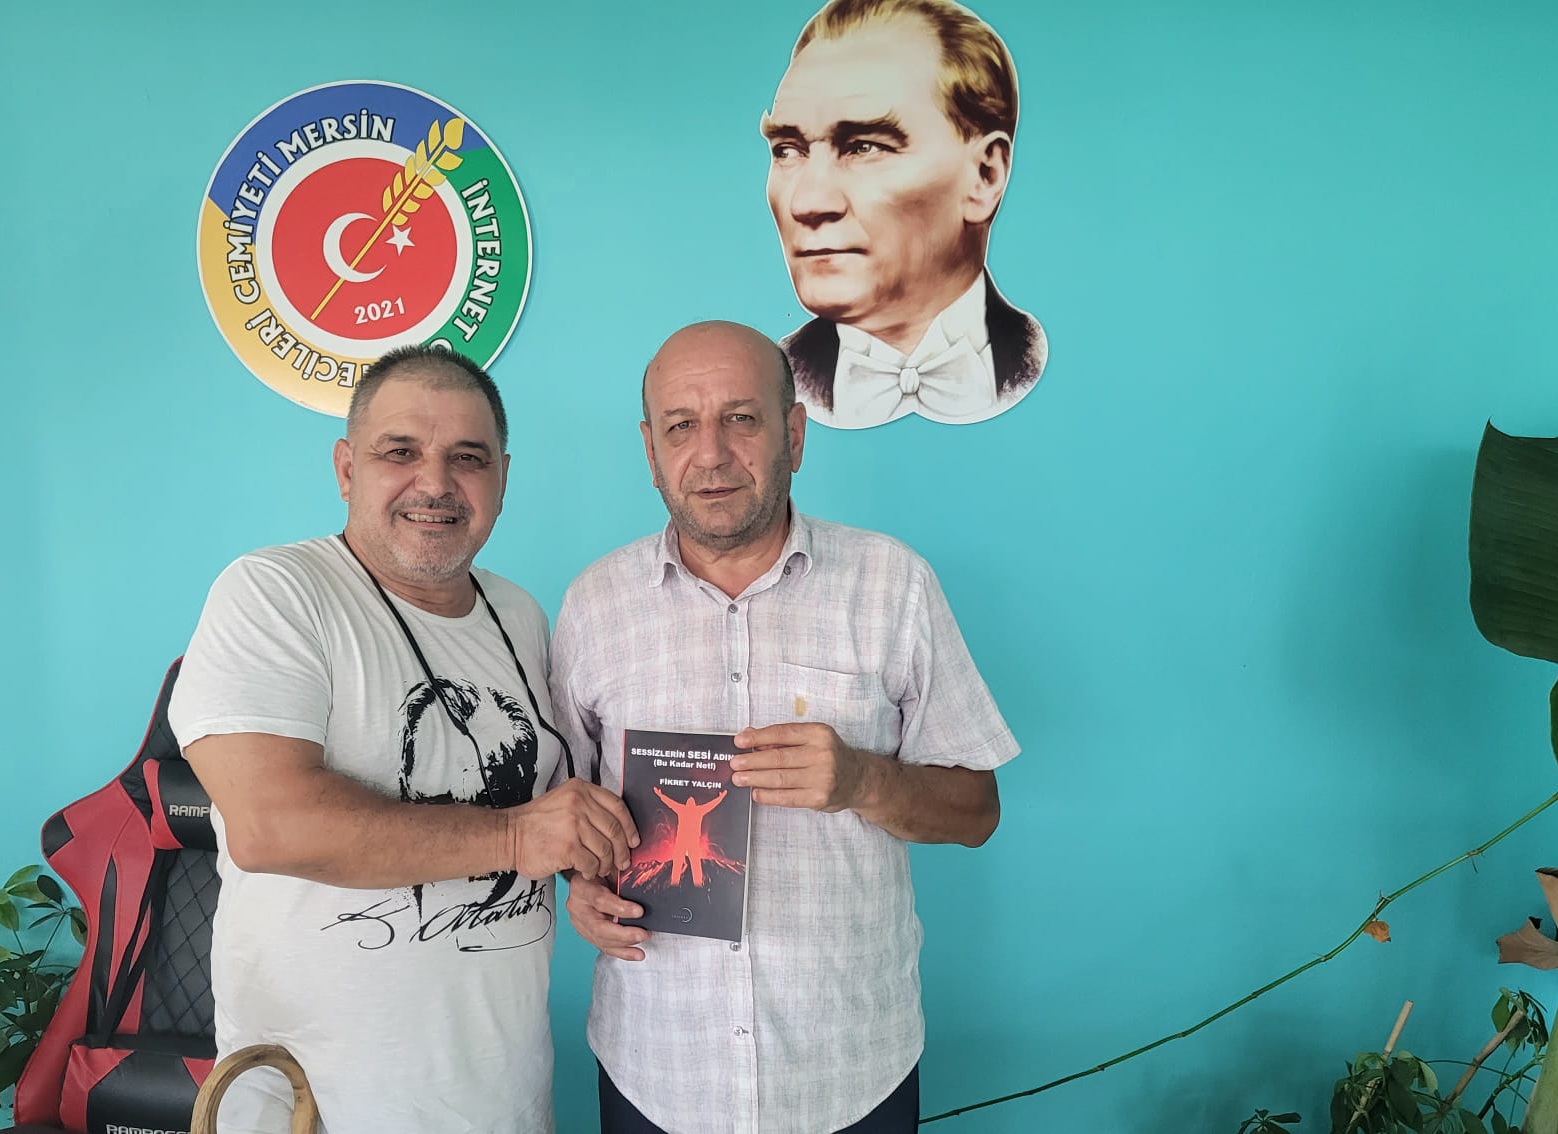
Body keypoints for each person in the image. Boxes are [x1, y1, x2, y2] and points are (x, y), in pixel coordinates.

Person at [552, 320, 1018, 1133]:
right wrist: (582, 888)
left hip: (850, 1068)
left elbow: (976, 811)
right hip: (657, 1066)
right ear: (651, 452)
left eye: (741, 418)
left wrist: (863, 780)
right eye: (681, 426)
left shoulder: (893, 585)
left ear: (793, 435)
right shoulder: (594, 606)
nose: (712, 454)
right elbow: (569, 815)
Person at [167, 345, 638, 1134]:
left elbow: (537, 813)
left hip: (504, 1099)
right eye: (400, 452)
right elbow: (270, 826)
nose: (436, 482)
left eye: (468, 458)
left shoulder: (520, 615)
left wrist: (583, 873)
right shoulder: (275, 593)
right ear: (346, 468)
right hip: (319, 1107)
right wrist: (519, 837)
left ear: (502, 478)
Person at [763, 0, 1047, 430]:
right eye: (787, 150)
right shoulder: (768, 381)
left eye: (864, 147)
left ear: (985, 175)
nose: (806, 203)